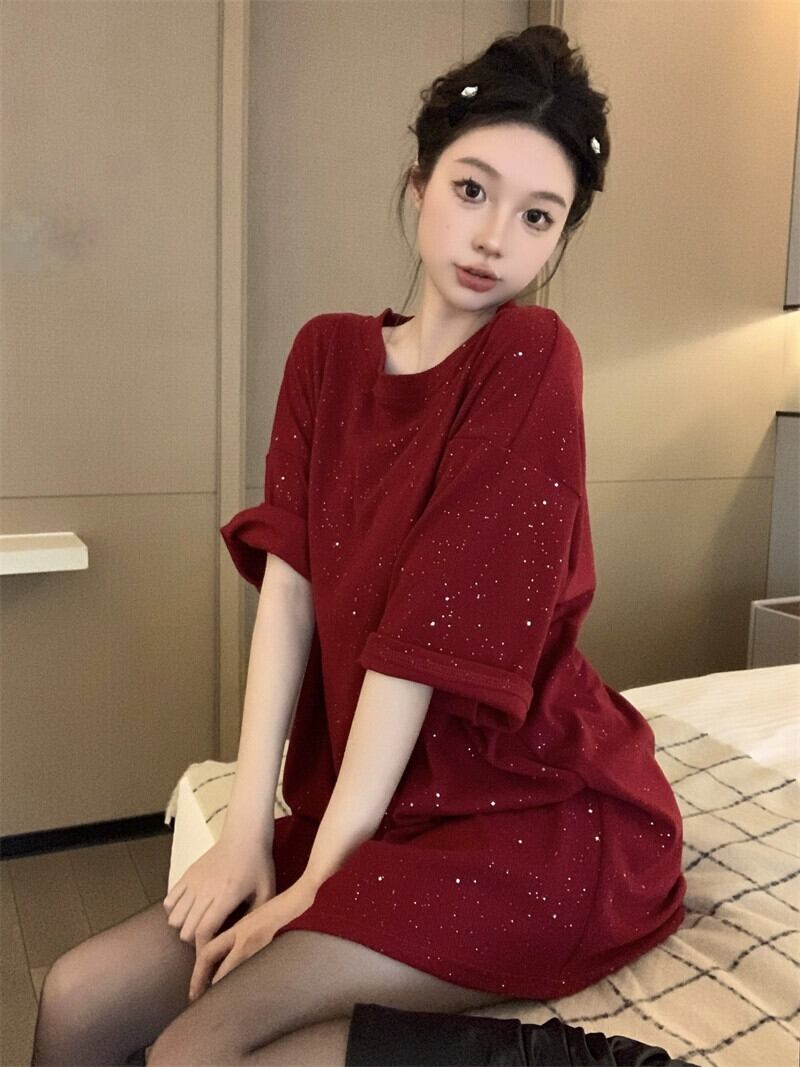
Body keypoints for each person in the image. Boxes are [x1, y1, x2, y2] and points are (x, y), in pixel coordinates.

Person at [31, 23, 686, 1067]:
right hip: (375, 804)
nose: (493, 237)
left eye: (536, 216)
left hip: (525, 818)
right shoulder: (326, 352)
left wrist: (317, 883)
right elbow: (288, 597)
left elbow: (420, 647)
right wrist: (249, 828)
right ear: (419, 184)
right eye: (470, 190)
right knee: (74, 996)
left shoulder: (531, 356)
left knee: (195, 1049)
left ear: (560, 239)